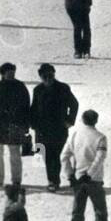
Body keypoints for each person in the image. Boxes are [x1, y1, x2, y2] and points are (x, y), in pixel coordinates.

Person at [58, 109, 109, 221]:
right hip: (95, 180)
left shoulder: (74, 135)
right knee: (100, 212)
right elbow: (100, 158)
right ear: (96, 120)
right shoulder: (100, 137)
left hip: (78, 179)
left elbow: (64, 156)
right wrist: (90, 174)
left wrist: (70, 174)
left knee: (77, 212)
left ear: (82, 119)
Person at [30, 64, 78, 193]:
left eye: (50, 75)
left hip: (59, 128)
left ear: (54, 74)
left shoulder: (63, 88)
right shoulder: (38, 90)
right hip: (42, 129)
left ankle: (68, 177)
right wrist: (32, 123)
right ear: (40, 77)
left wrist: (69, 120)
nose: (48, 78)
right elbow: (34, 107)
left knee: (58, 154)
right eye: (44, 76)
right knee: (46, 155)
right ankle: (52, 180)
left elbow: (74, 104)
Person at [0, 63, 30, 189]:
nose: (12, 74)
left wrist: (25, 124)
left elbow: (26, 106)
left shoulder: (20, 86)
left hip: (15, 123)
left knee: (15, 152)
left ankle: (16, 179)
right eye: (9, 72)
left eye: (13, 72)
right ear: (3, 73)